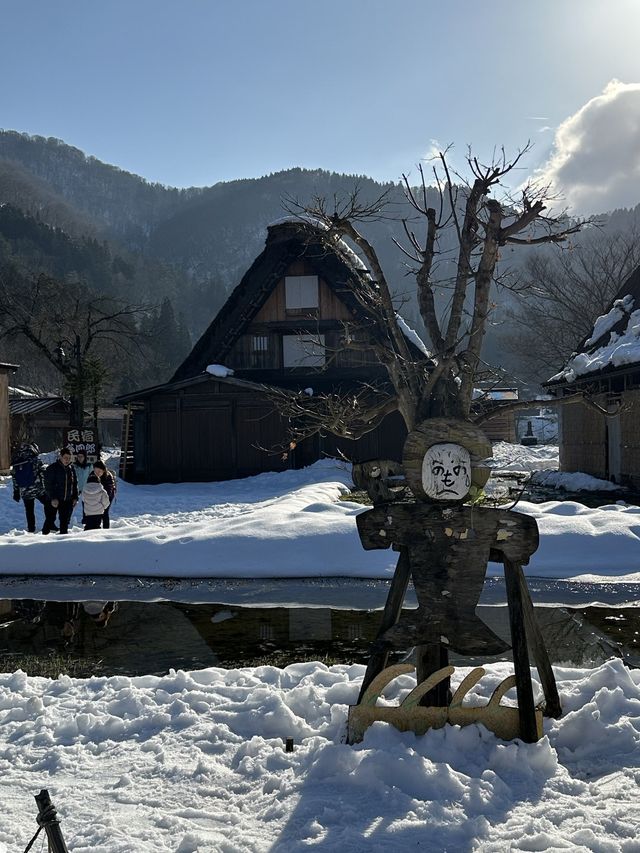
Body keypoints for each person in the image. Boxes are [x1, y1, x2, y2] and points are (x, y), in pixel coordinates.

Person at [11, 443, 48, 533]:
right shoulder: (35, 459)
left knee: (29, 510)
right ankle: (50, 524)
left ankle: (31, 529)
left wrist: (16, 491)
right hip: (38, 488)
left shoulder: (18, 460)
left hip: (25, 490)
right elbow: (43, 472)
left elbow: (14, 477)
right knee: (48, 505)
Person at [43, 447, 78, 535]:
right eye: (65, 458)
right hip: (54, 499)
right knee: (50, 520)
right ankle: (43, 540)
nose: (67, 460)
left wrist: (75, 497)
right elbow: (48, 485)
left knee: (65, 521)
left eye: (69, 458)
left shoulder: (71, 469)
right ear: (60, 457)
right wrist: (53, 498)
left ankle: (63, 541)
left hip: (67, 500)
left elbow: (74, 484)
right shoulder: (52, 468)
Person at [92, 459, 116, 529]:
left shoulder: (108, 477)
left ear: (103, 470)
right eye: (95, 471)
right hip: (97, 496)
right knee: (97, 512)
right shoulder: (93, 475)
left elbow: (109, 490)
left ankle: (106, 530)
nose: (97, 473)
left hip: (108, 497)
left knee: (105, 512)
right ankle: (96, 527)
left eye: (99, 471)